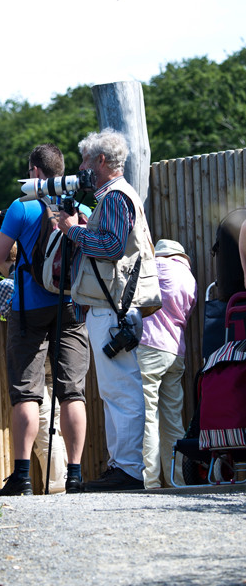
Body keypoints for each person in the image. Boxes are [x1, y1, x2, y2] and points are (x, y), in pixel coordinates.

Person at [58, 128, 161, 492]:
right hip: (114, 308)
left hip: (111, 309)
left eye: (86, 159)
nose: (82, 167)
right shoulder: (118, 196)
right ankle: (123, 466)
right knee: (119, 391)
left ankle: (129, 471)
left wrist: (72, 230)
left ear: (101, 161)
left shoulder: (115, 197)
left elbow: (113, 247)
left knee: (122, 392)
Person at [0, 143, 90, 496]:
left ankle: (22, 477)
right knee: (72, 392)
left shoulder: (22, 206)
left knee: (26, 393)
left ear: (34, 172)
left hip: (29, 308)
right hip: (71, 305)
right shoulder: (80, 207)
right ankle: (74, 475)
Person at [0, 248, 68, 494]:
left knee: (44, 427)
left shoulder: (8, 284)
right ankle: (62, 480)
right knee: (53, 423)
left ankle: (56, 486)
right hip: (55, 361)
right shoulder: (39, 277)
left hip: (34, 365)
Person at [137, 239, 197, 488]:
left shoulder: (155, 266)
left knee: (148, 415)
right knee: (173, 419)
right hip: (176, 351)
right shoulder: (189, 278)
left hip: (150, 346)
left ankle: (150, 481)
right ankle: (177, 481)